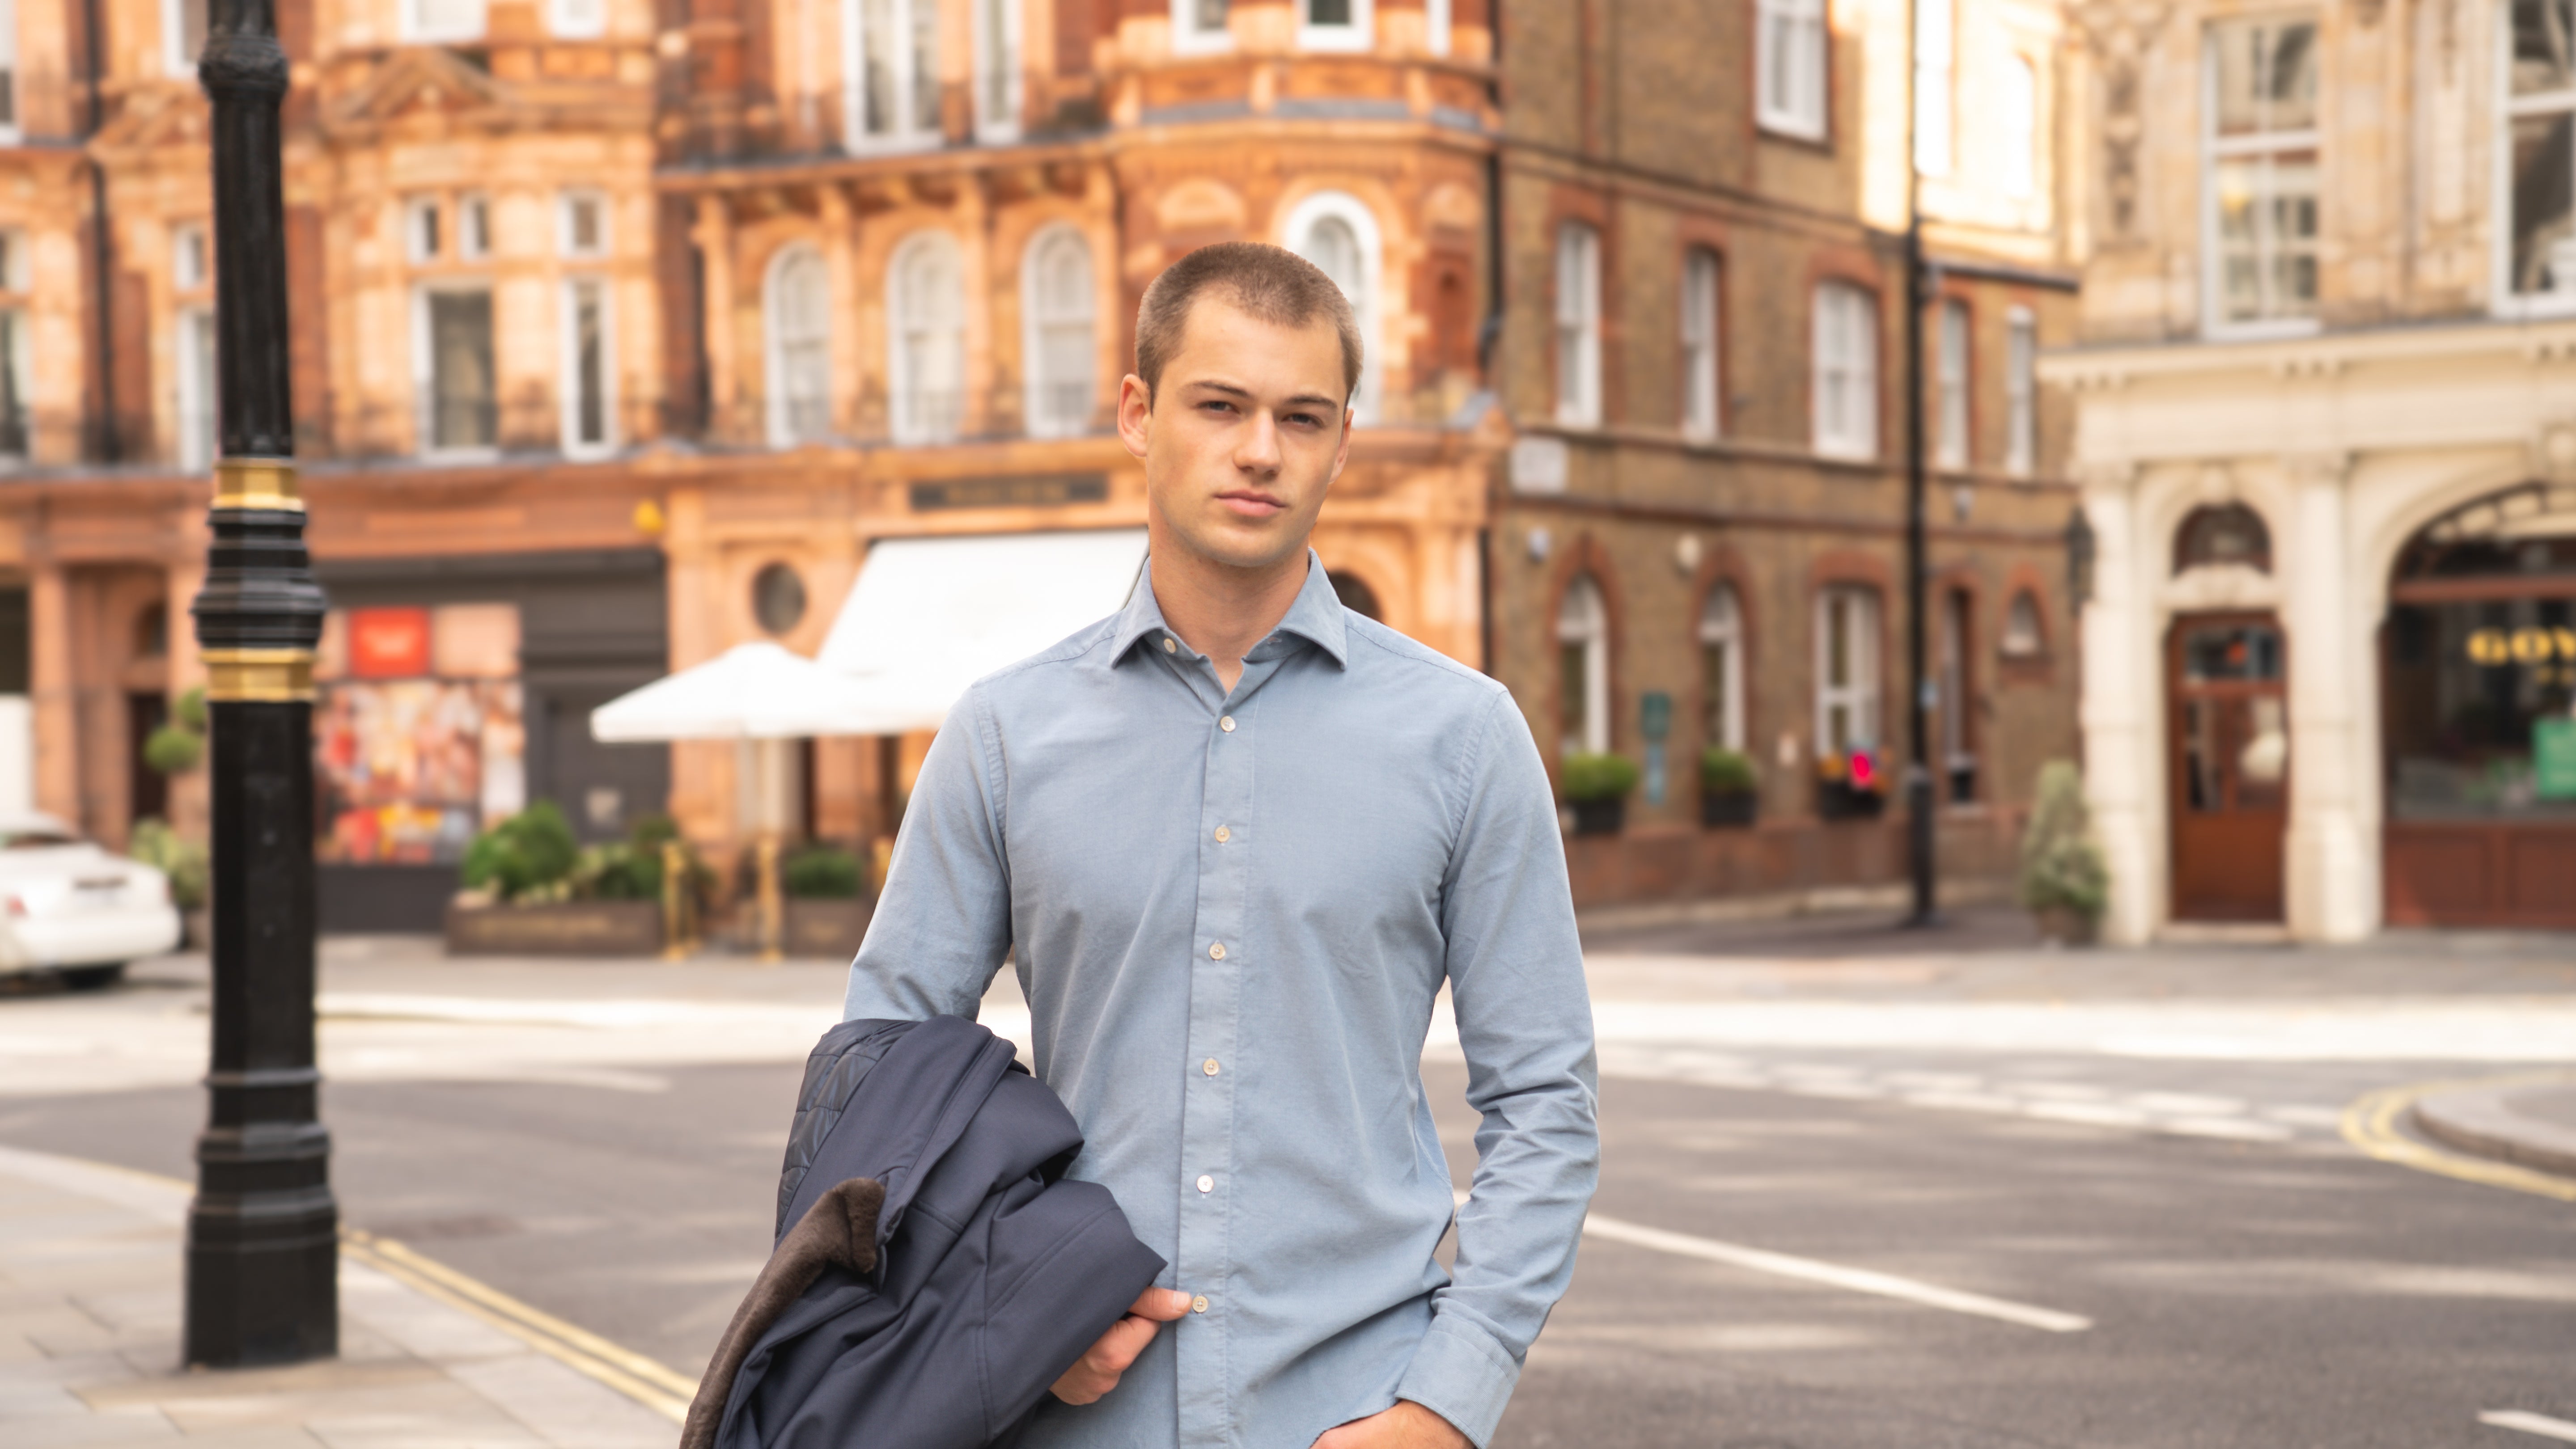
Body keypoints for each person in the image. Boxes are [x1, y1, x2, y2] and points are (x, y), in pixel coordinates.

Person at [843, 241, 1597, 1449]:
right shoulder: (1006, 731)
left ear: (1343, 439)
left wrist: (1446, 1404)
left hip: (1359, 1409)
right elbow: (882, 1083)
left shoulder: (1465, 736)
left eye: (1302, 416)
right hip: (1068, 1417)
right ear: (1140, 413)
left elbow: (1547, 1102)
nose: (1261, 450)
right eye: (1221, 405)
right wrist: (1001, 1303)